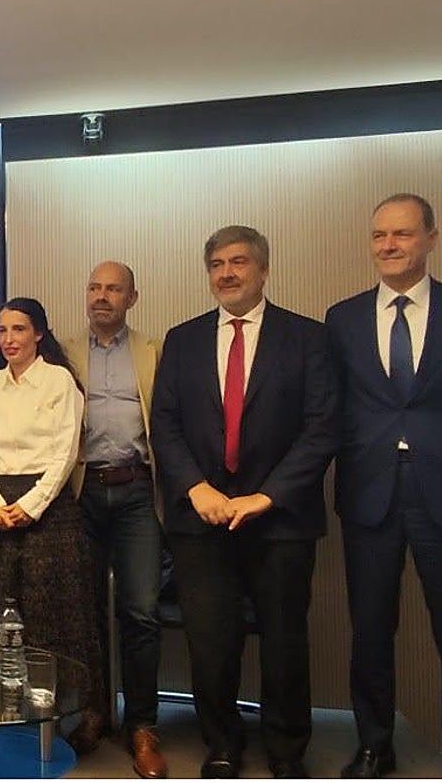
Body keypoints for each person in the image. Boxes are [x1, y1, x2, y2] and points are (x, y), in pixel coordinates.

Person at [151, 226, 337, 779]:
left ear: (263, 269)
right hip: (200, 519)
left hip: (280, 519)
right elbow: (164, 424)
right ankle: (222, 742)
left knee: (284, 638)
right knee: (211, 640)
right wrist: (196, 488)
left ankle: (286, 748)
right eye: (216, 264)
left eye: (238, 262)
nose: (226, 273)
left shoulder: (308, 337)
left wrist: (267, 495)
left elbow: (322, 428)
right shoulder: (182, 339)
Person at [327, 193, 442, 779]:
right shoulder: (342, 318)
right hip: (369, 492)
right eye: (379, 236)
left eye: (401, 234)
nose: (389, 246)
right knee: (371, 628)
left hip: (438, 491)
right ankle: (375, 744)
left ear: (430, 237)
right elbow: (330, 410)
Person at [0, 296, 106, 752]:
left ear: (39, 334)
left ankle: (67, 718)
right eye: (3, 330)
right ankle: (0, 713)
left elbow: (66, 452)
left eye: (19, 330)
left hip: (48, 510)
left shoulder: (60, 380)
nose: (9, 339)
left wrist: (30, 505)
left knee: (55, 617)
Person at [61, 261, 167, 778]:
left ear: (132, 297)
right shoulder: (62, 350)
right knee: (84, 612)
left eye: (114, 289)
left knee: (141, 609)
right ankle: (94, 713)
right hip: (82, 493)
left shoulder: (153, 351)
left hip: (137, 493)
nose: (102, 296)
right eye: (94, 286)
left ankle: (143, 725)